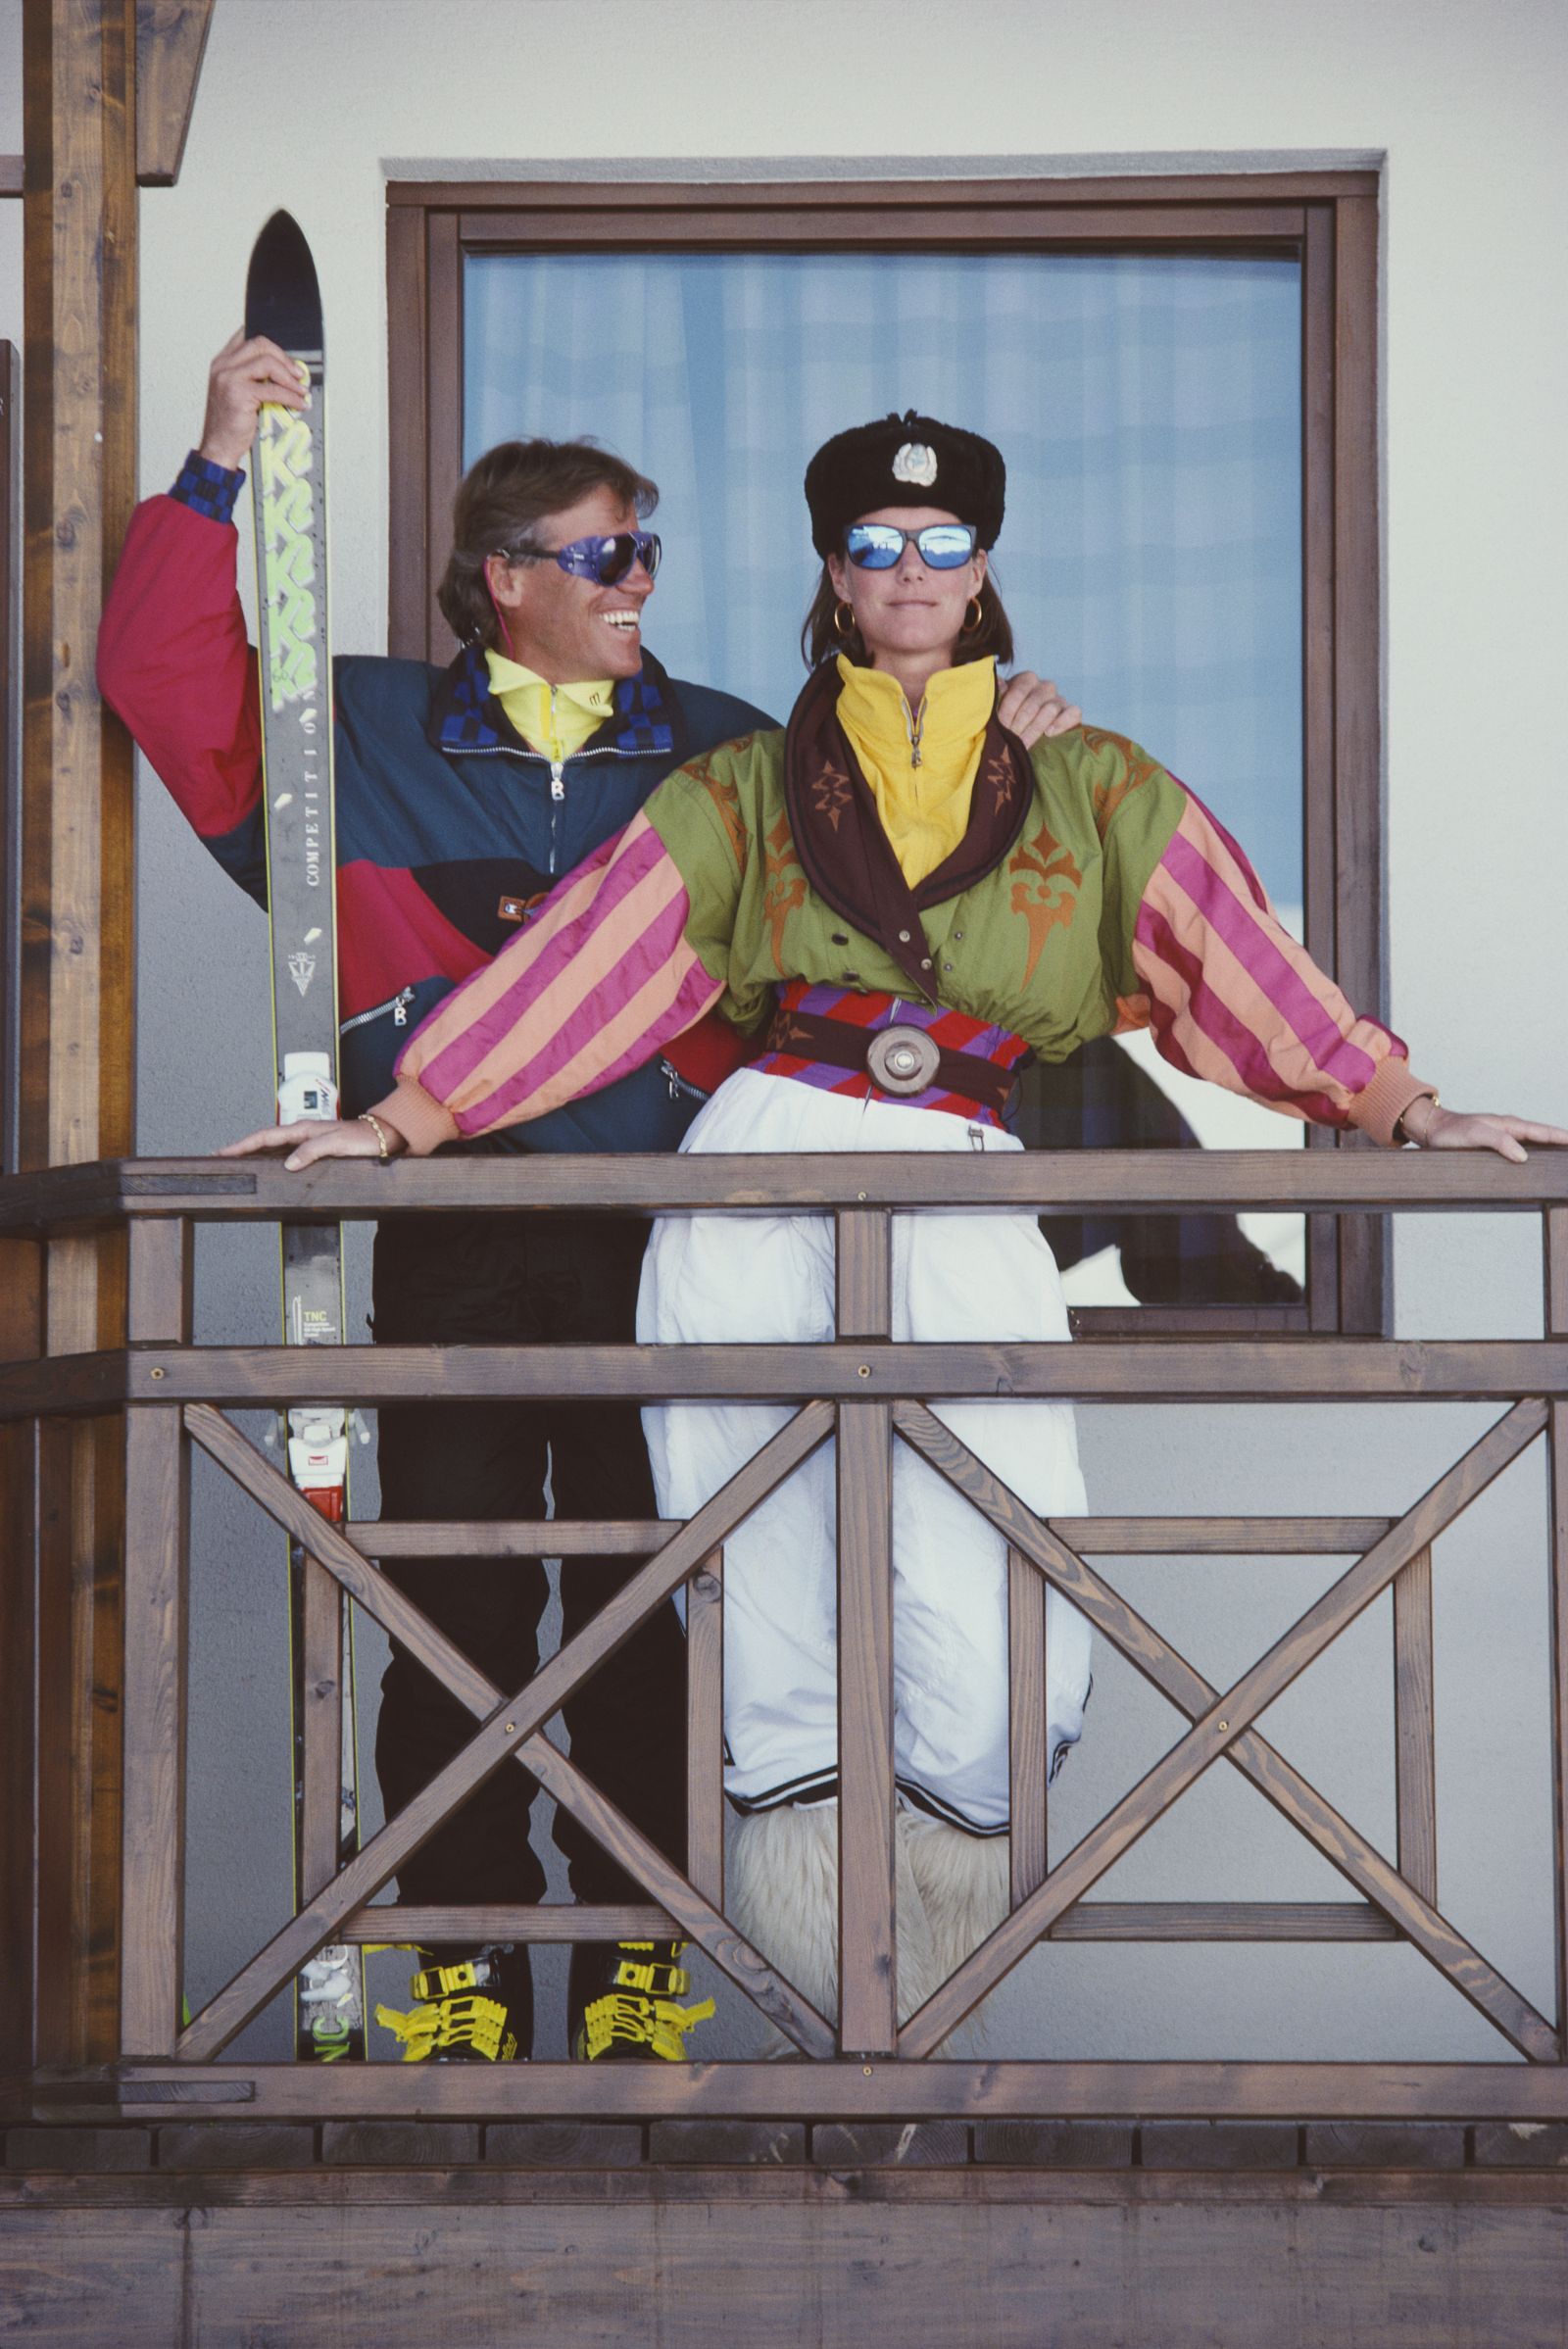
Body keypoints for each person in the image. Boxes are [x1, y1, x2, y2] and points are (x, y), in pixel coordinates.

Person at [227, 407, 1566, 2029]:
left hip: (962, 1161)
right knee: (745, 1552)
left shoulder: (1088, 775)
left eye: (942, 545)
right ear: (836, 575)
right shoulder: (742, 778)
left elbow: (1237, 956)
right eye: (876, 546)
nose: (912, 570)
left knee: (984, 1536)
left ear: (983, 566)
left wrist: (1404, 1107)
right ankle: (772, 1958)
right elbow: (595, 966)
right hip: (763, 1161)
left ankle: (929, 1951)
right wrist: (400, 1117)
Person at [100, 350, 1080, 2061]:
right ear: (509, 577)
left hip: (676, 1226)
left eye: (651, 556)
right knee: (453, 1606)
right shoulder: (358, 733)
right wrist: (215, 468)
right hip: (458, 1215)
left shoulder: (728, 748)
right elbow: (162, 681)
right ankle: (465, 1960)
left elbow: (925, 852)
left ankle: (640, 1958)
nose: (645, 583)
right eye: (612, 555)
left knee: (655, 1601)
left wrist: (1016, 729)